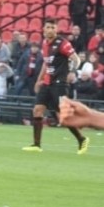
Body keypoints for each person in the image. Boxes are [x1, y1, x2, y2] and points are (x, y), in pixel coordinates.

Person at [23, 19, 88, 154]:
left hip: (59, 83)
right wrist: (38, 80)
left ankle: (82, 139)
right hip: (47, 83)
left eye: (53, 27)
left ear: (56, 29)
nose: (50, 30)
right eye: (48, 27)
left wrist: (72, 71)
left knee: (62, 116)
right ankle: (36, 144)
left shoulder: (62, 43)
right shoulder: (45, 44)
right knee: (37, 110)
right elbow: (46, 64)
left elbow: (76, 59)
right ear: (44, 29)